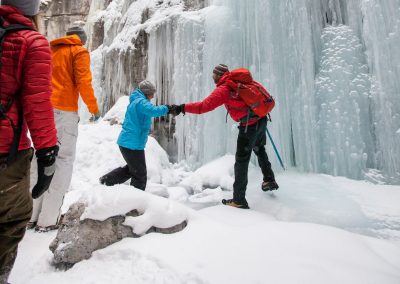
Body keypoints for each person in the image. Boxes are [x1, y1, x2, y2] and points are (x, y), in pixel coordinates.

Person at [0, 0, 58, 282]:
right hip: (7, 154)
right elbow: (37, 103)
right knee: (10, 221)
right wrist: (48, 153)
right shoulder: (31, 41)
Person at [171, 64, 279, 209]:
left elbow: (203, 106)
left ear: (218, 75)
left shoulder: (225, 89)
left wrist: (182, 107)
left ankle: (239, 199)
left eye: (214, 75)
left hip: (249, 126)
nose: (212, 77)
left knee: (241, 161)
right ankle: (269, 180)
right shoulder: (241, 83)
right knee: (260, 149)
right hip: (261, 119)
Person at [29, 26, 100, 231]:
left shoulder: (51, 51)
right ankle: (48, 220)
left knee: (40, 159)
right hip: (64, 112)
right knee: (62, 160)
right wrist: (94, 109)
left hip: (44, 110)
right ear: (81, 40)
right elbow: (84, 82)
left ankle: (31, 215)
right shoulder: (78, 51)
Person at [99, 80, 171, 190]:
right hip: (131, 144)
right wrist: (168, 108)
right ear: (147, 92)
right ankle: (136, 199)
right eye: (152, 93)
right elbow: (153, 110)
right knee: (140, 175)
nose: (153, 96)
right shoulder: (140, 102)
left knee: (133, 170)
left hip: (130, 143)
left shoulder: (137, 101)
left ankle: (106, 180)